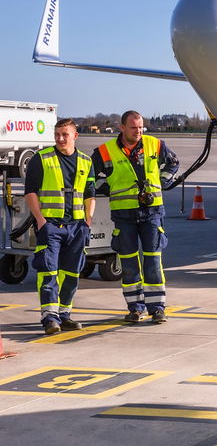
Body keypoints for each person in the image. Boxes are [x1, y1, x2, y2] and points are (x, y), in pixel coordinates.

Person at [92, 111, 179, 324]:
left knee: (153, 261)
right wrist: (106, 187)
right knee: (129, 264)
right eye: (133, 128)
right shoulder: (105, 151)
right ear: (122, 127)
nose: (138, 132)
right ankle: (135, 307)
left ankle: (157, 308)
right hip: (124, 215)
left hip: (152, 213)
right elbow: (90, 176)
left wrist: (164, 181)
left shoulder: (155, 144)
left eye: (141, 127)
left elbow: (173, 163)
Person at [24, 118, 94, 335]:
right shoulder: (41, 159)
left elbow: (90, 194)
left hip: (77, 227)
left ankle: (64, 315)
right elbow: (30, 192)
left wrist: (88, 221)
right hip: (51, 226)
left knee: (72, 273)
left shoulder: (85, 161)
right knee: (48, 272)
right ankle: (49, 318)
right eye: (57, 135)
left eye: (65, 134)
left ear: (75, 136)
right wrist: (41, 221)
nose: (60, 139)